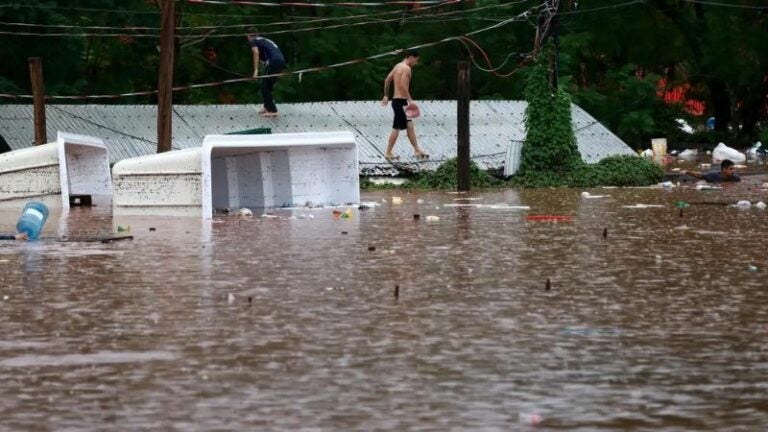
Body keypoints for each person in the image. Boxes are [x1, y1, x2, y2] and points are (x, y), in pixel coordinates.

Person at [381, 50, 428, 161]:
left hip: (398, 101)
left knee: (410, 125)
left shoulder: (397, 66)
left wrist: (386, 95)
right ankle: (388, 152)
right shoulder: (407, 69)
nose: (415, 63)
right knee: (396, 127)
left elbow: (387, 80)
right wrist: (410, 100)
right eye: (416, 60)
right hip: (401, 102)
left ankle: (417, 149)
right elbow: (402, 85)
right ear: (411, 57)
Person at [247, 34, 286, 117]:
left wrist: (256, 70)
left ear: (248, 36)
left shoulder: (254, 40)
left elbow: (256, 52)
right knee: (267, 85)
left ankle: (273, 110)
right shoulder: (264, 40)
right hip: (279, 61)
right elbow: (272, 54)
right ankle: (267, 106)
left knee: (265, 87)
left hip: (274, 62)